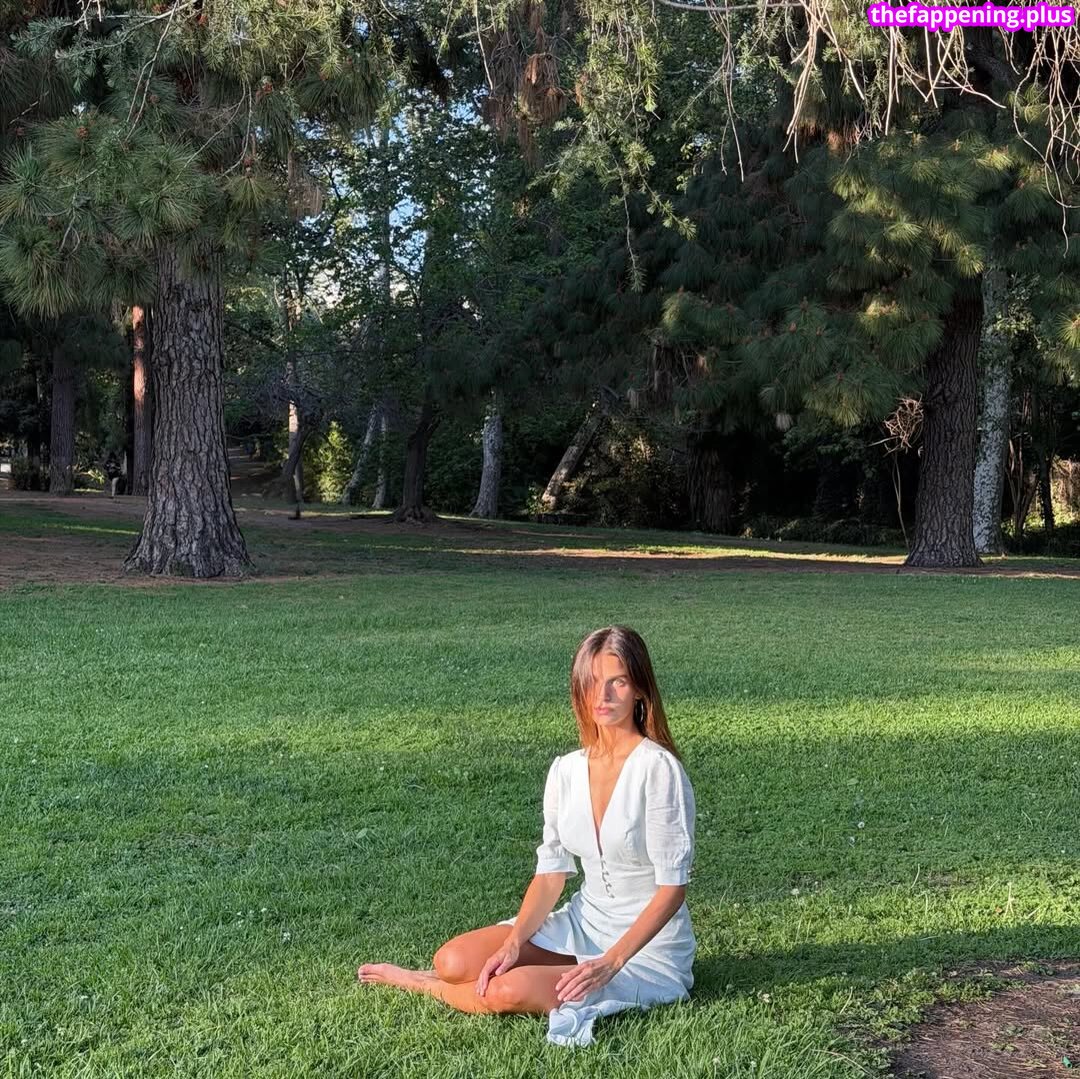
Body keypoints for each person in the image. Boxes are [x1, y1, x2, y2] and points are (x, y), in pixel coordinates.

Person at [358, 625, 696, 1047]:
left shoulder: (659, 769)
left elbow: (672, 889)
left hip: (646, 952)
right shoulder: (566, 770)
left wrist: (610, 963)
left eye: (619, 682)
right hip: (584, 923)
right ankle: (441, 976)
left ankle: (421, 984)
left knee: (505, 990)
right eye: (593, 681)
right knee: (452, 960)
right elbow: (551, 875)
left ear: (640, 690)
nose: (603, 695)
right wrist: (515, 943)